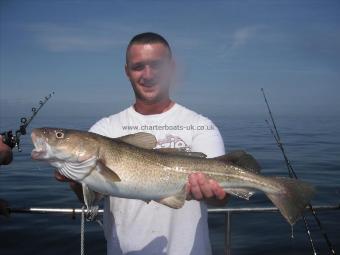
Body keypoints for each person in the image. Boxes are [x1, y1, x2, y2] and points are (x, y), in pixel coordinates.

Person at [56, 32, 228, 255]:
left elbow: (223, 198)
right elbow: (93, 195)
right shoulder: (105, 129)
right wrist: (75, 179)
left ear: (171, 67)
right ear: (127, 71)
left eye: (156, 65)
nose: (148, 75)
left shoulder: (201, 126)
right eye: (138, 67)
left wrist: (214, 194)